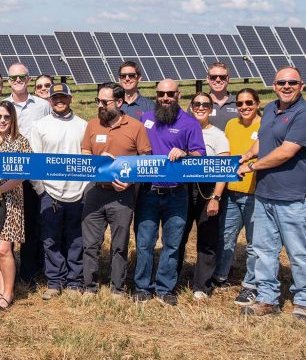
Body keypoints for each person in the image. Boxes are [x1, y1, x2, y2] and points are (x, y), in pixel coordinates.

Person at [236, 67, 306, 319]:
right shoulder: (272, 109)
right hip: (264, 193)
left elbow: (286, 151)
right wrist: (248, 153)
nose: (286, 86)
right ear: (273, 86)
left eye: (291, 82)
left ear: (301, 86)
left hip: (292, 196)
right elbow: (264, 138)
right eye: (281, 82)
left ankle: (304, 301)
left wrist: (251, 166)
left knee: (297, 252)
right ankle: (267, 299)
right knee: (264, 250)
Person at [134, 79, 205, 305]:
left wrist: (184, 152)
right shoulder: (145, 119)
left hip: (177, 194)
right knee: (144, 242)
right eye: (161, 94)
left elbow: (199, 156)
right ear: (156, 96)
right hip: (148, 192)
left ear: (178, 96)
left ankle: (165, 288)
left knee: (172, 244)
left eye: (170, 94)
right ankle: (142, 287)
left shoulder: (189, 123)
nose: (165, 98)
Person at [80, 83, 151, 296]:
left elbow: (145, 158)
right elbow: (84, 151)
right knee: (91, 244)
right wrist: (95, 160)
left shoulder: (136, 127)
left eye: (105, 102)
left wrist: (130, 181)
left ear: (119, 102)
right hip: (95, 192)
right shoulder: (93, 125)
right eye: (98, 101)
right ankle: (90, 287)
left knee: (119, 246)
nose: (100, 105)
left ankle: (117, 289)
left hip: (122, 195)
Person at [26, 83, 88, 300]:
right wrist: (41, 190)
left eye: (63, 97)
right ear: (50, 100)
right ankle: (55, 280)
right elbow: (34, 161)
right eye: (55, 98)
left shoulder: (83, 125)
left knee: (75, 239)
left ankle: (74, 281)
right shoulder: (39, 126)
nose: (59, 101)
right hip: (50, 192)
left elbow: (88, 159)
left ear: (70, 99)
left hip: (77, 192)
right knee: (50, 238)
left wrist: (84, 189)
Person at [176, 92, 230, 299]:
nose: (200, 107)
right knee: (178, 236)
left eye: (205, 104)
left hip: (208, 192)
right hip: (183, 189)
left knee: (207, 240)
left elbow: (224, 169)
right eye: (196, 104)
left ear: (211, 109)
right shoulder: (182, 130)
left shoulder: (217, 135)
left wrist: (216, 197)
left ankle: (201, 286)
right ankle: (173, 279)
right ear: (190, 107)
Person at [0, 101, 32, 311]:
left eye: (6, 117)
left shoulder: (20, 142)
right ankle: (1, 289)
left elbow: (23, 174)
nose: (2, 121)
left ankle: (8, 294)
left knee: (4, 248)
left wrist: (0, 190)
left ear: (13, 119)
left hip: (11, 200)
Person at [5, 62, 51, 286]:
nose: (18, 81)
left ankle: (29, 272)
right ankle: (8, 270)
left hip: (33, 173)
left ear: (29, 78)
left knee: (32, 223)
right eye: (13, 78)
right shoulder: (3, 105)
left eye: (21, 77)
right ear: (8, 81)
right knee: (10, 223)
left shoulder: (42, 105)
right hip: (9, 173)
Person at [219, 88, 262, 304]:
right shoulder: (231, 125)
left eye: (249, 103)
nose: (244, 107)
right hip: (230, 191)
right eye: (240, 103)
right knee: (226, 236)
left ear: (257, 104)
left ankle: (250, 285)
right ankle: (221, 275)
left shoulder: (265, 125)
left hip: (255, 193)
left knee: (254, 243)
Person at [206, 62, 238, 130]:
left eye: (222, 77)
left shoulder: (240, 103)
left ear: (228, 79)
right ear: (208, 79)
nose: (218, 80)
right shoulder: (198, 104)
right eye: (213, 77)